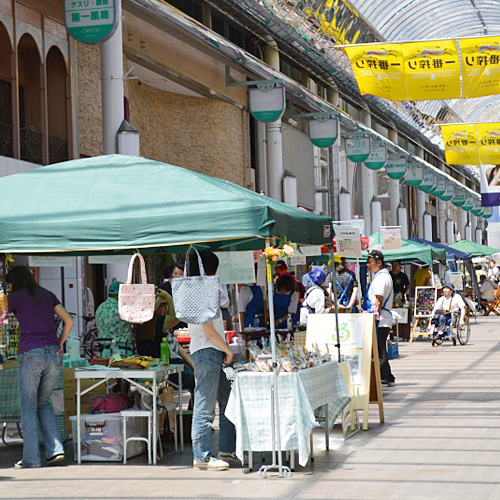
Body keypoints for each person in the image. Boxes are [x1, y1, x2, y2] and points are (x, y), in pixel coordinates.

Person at [6, 266, 74, 469]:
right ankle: (56, 449)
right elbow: (69, 321)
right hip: (53, 354)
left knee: (28, 407)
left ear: (15, 282)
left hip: (31, 354)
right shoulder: (48, 294)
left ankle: (31, 459)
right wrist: (59, 343)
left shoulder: (15, 297)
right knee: (43, 403)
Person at [188, 250, 235, 471]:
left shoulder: (195, 290)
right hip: (209, 351)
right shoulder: (202, 292)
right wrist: (228, 350)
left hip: (212, 352)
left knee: (228, 398)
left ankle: (227, 448)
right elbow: (209, 331)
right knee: (205, 406)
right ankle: (202, 457)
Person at [364, 249, 395, 387]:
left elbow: (378, 300)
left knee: (380, 349)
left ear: (379, 262)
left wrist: (372, 315)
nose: (368, 265)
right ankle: (387, 376)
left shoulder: (382, 278)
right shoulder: (381, 276)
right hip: (382, 319)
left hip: (380, 320)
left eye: (370, 262)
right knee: (380, 348)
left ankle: (384, 377)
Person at [95, 281, 134, 346]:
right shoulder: (123, 309)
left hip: (105, 351)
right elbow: (142, 319)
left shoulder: (100, 307)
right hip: (122, 351)